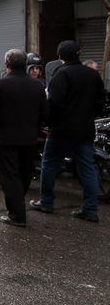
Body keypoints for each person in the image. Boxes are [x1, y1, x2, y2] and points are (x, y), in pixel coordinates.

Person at [30, 40, 105, 222]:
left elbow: (53, 103)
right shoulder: (92, 75)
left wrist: (48, 122)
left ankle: (46, 202)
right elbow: (100, 103)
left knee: (49, 164)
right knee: (87, 168)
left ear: (60, 56)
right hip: (85, 130)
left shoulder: (60, 74)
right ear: (79, 55)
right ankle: (90, 209)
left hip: (61, 130)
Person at [0, 49, 48, 227]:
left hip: (6, 139)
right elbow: (45, 114)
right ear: (26, 65)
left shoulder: (1, 85)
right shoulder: (37, 86)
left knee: (10, 176)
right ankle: (18, 206)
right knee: (25, 174)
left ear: (7, 64)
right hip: (29, 139)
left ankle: (17, 215)